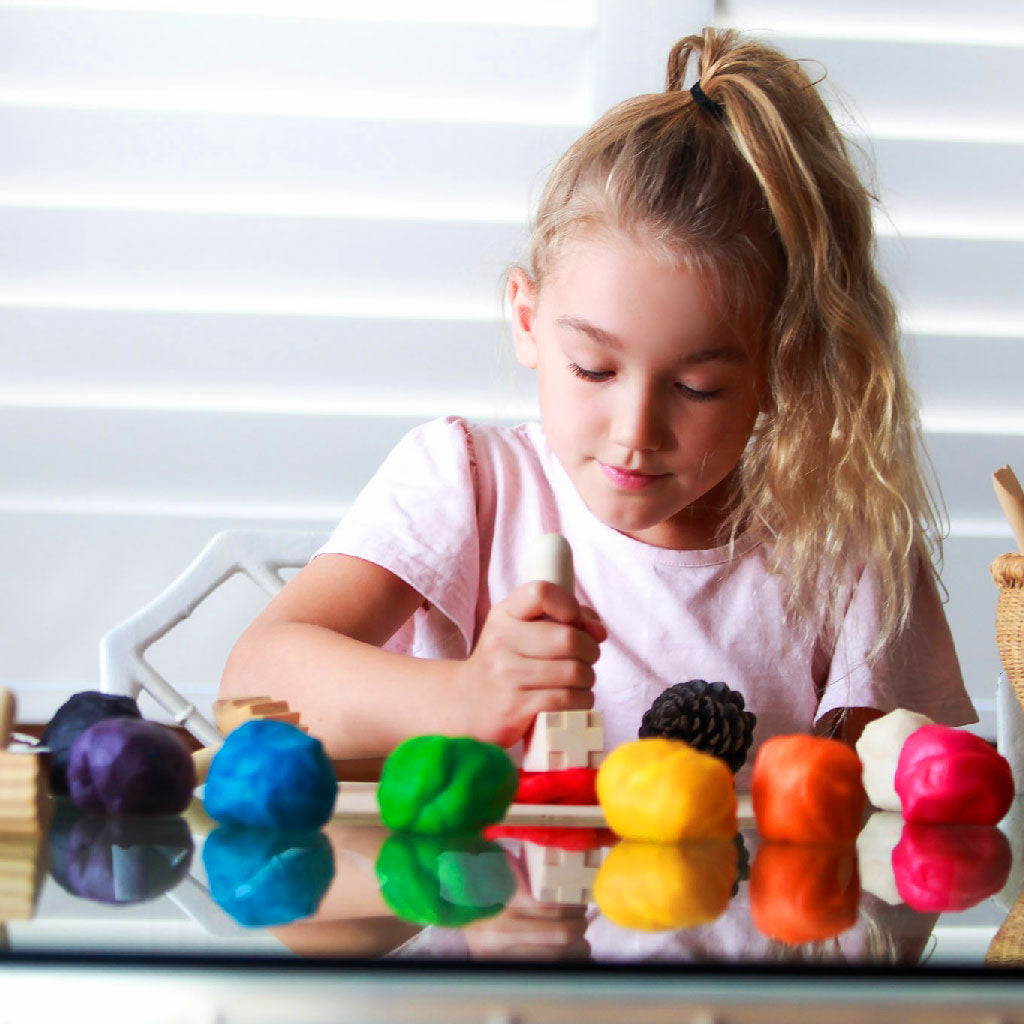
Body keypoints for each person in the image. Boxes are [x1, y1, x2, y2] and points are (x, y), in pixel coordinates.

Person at [220, 27, 976, 780]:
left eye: (696, 387)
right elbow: (252, 685)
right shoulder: (470, 484)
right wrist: (465, 695)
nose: (634, 433)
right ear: (527, 319)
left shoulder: (843, 543)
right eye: (592, 369)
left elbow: (880, 826)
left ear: (781, 367)